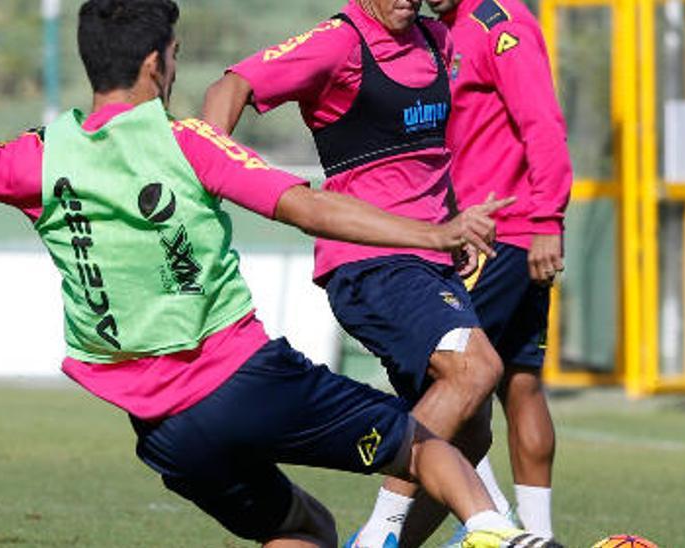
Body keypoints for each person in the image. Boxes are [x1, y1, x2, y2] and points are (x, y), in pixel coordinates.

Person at [0, 2, 559, 547]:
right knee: (427, 446)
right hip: (249, 381)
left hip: (164, 433)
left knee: (301, 530)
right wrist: (435, 230)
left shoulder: (35, 154)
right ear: (160, 62)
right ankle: (499, 534)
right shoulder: (189, 142)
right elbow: (308, 208)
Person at [201, 1, 520, 546]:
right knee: (474, 369)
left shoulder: (436, 40)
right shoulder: (337, 42)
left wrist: (451, 222)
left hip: (433, 260)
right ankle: (381, 532)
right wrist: (208, 170)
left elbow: (429, 156)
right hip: (369, 261)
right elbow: (231, 86)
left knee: (469, 433)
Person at [426, 0, 574, 542]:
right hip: (501, 233)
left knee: (449, 376)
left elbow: (542, 121)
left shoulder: (499, 25)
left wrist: (547, 220)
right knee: (519, 381)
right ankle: (536, 536)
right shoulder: (441, 29)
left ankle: (497, 529)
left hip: (497, 238)